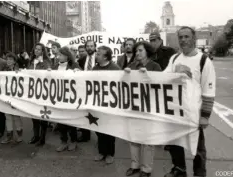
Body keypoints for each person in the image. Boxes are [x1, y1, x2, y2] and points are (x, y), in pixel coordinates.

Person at [163, 26, 216, 177]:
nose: (183, 40)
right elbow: (162, 78)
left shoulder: (203, 61)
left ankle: (199, 172)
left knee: (198, 147)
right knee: (175, 142)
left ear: (193, 38)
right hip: (175, 111)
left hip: (194, 112)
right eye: (181, 37)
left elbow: (209, 90)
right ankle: (179, 169)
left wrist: (205, 115)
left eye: (187, 37)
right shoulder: (174, 59)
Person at [124, 41, 161, 177]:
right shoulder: (132, 66)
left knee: (147, 140)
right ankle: (135, 165)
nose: (137, 53)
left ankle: (146, 169)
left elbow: (160, 86)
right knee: (133, 137)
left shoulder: (155, 66)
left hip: (149, 108)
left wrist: (148, 77)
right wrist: (125, 75)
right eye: (136, 51)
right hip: (133, 106)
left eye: (140, 50)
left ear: (147, 52)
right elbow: (122, 85)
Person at [92, 46, 120, 164]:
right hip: (97, 104)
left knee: (109, 130)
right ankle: (101, 152)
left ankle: (110, 153)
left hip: (110, 105)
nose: (96, 55)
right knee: (99, 129)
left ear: (105, 57)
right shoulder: (94, 69)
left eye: (98, 54)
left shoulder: (115, 68)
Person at [52, 46, 81, 152]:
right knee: (61, 122)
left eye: (60, 54)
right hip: (59, 98)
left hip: (70, 99)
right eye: (58, 55)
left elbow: (81, 78)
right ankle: (63, 141)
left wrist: (79, 72)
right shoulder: (55, 67)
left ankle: (73, 141)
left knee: (70, 121)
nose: (58, 56)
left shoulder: (74, 65)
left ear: (66, 56)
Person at [27, 43, 52, 146]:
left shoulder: (45, 62)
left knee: (42, 116)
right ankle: (35, 135)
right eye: (35, 49)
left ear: (42, 51)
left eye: (39, 49)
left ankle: (42, 138)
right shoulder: (31, 61)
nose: (36, 51)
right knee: (34, 115)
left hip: (42, 92)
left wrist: (45, 67)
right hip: (32, 92)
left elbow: (48, 73)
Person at [1, 52, 24, 144]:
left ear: (14, 61)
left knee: (15, 115)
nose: (8, 61)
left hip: (15, 96)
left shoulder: (18, 70)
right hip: (6, 95)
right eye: (7, 59)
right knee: (8, 116)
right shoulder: (4, 70)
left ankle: (19, 135)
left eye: (10, 59)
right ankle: (9, 135)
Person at [76, 40, 97, 142]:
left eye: (91, 46)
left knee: (97, 113)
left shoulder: (99, 58)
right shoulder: (82, 59)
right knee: (84, 112)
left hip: (97, 90)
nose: (89, 48)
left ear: (95, 47)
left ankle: (100, 135)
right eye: (87, 46)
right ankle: (85, 135)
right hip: (84, 89)